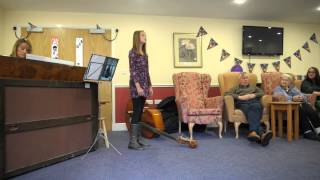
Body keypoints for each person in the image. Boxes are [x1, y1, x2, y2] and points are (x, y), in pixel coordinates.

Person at [225, 72, 272, 146]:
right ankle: (261, 134)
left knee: (256, 107)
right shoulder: (235, 88)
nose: (245, 80)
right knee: (250, 108)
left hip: (254, 102)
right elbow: (226, 93)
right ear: (239, 80)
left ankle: (253, 133)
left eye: (246, 78)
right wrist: (239, 97)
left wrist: (254, 95)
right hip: (242, 103)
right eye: (243, 78)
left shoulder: (253, 87)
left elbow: (262, 92)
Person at [273, 74, 320, 141]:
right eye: (282, 79)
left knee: (305, 105)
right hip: (285, 109)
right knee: (302, 107)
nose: (284, 81)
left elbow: (302, 95)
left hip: (297, 108)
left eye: (286, 80)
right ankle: (309, 132)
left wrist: (300, 98)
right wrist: (292, 98)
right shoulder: (277, 89)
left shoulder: (292, 88)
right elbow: (280, 97)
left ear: (290, 82)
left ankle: (315, 130)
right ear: (280, 81)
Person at [128, 30, 153, 150]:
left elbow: (147, 72)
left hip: (144, 86)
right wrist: (138, 86)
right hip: (136, 86)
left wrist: (150, 85)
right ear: (137, 38)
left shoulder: (145, 54)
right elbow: (133, 71)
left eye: (145, 35)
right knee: (137, 111)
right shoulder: (132, 53)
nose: (145, 37)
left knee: (140, 112)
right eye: (143, 35)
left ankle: (137, 139)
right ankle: (132, 142)